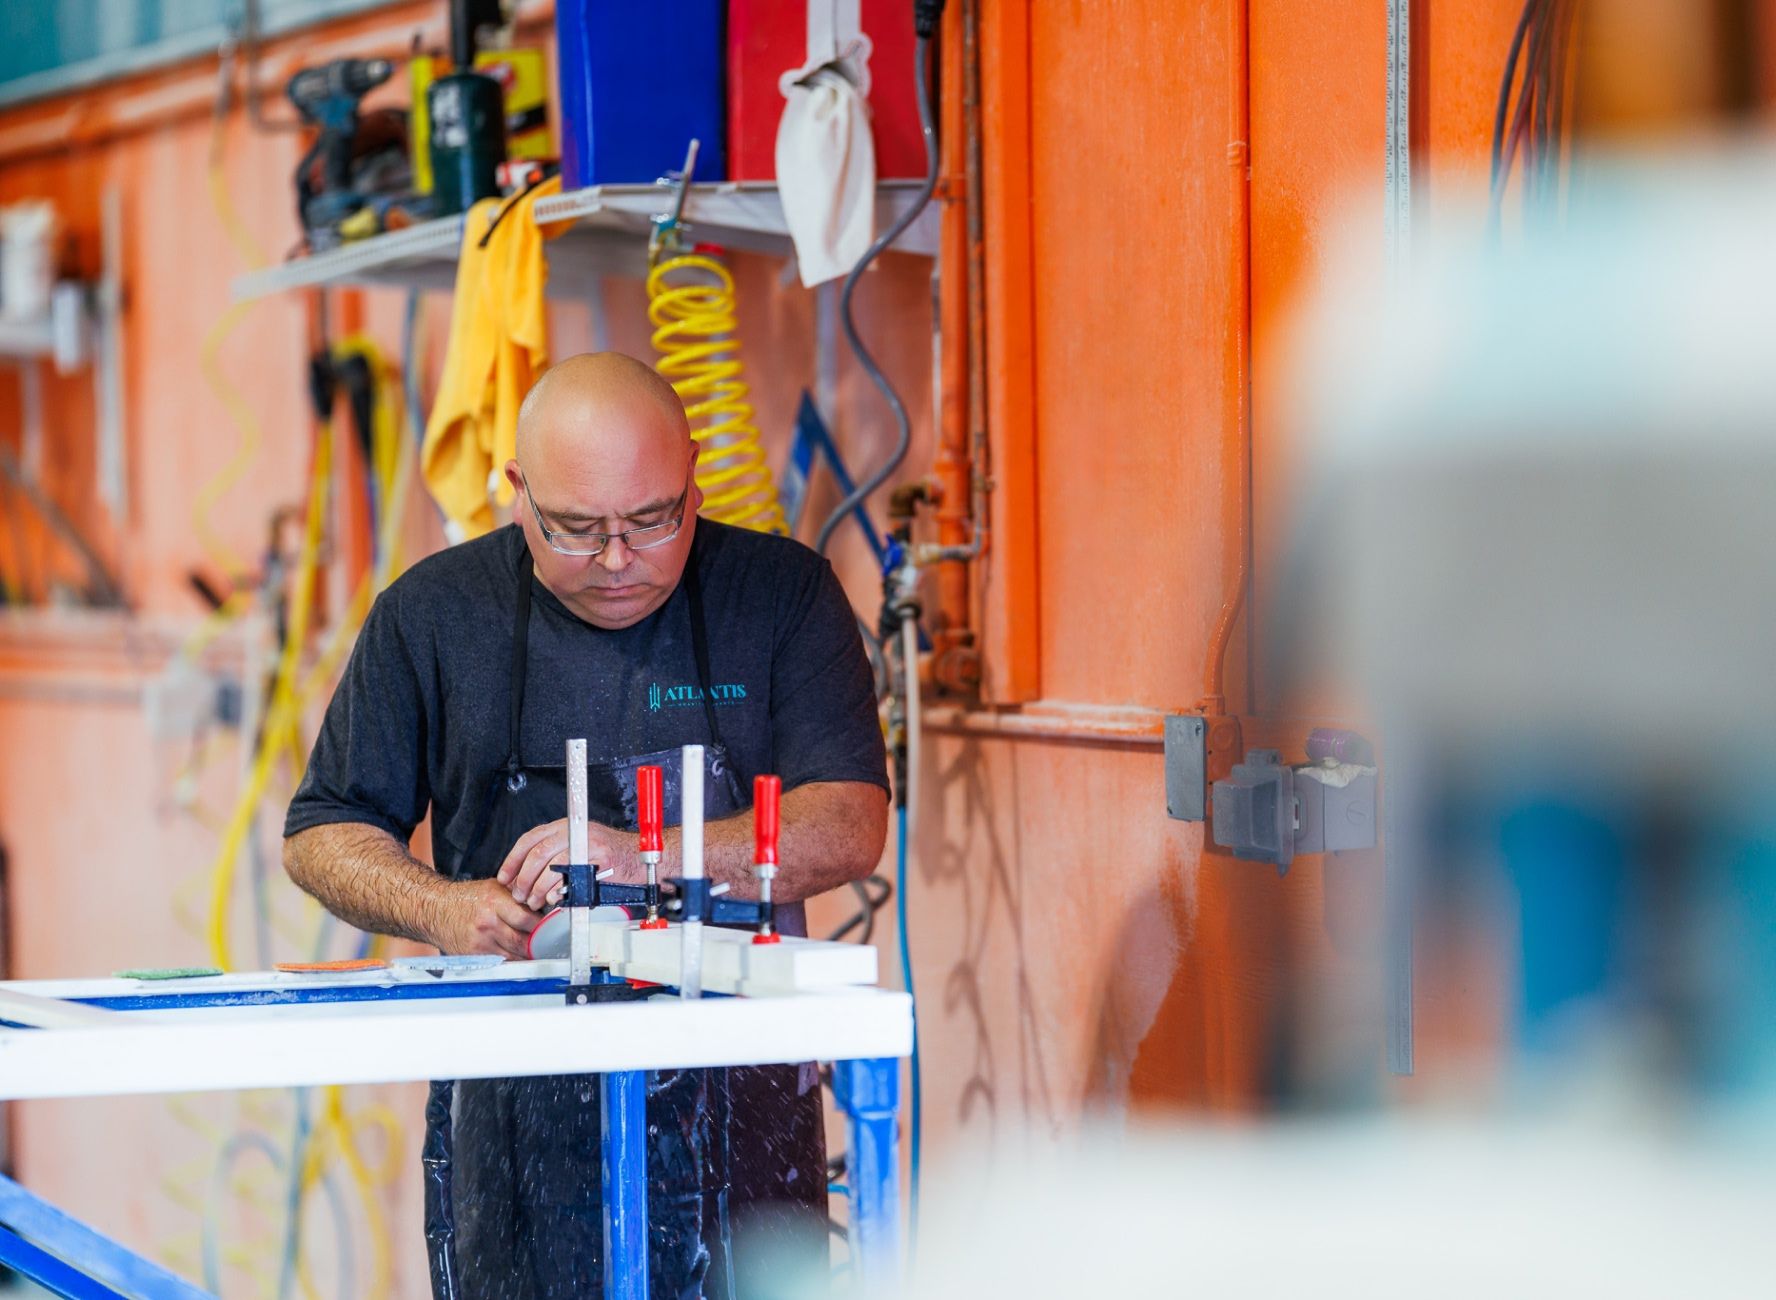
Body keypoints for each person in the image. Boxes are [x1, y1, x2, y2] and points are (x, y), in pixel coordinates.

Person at [283, 352, 890, 1298]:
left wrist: (648, 858)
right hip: (519, 1118)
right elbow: (323, 828)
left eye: (654, 521)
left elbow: (849, 823)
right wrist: (444, 909)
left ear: (692, 470)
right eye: (576, 530)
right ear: (518, 493)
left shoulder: (780, 596)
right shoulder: (434, 616)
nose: (617, 560)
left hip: (744, 1102)